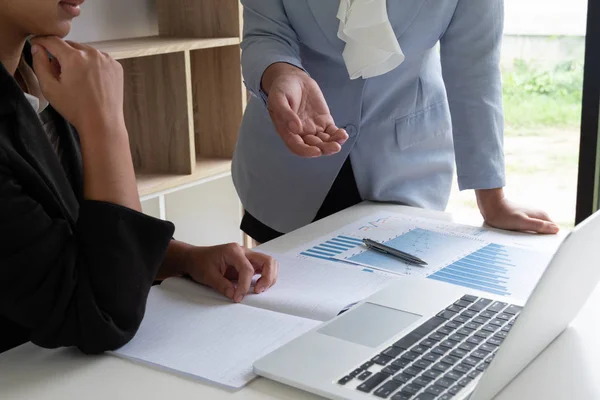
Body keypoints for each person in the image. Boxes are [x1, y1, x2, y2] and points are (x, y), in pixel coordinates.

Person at [0, 0, 278, 355]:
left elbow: (65, 243)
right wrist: (105, 125)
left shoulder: (41, 74)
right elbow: (105, 317)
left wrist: (185, 259)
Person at [233, 0, 560, 244]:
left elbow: (474, 70)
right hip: (291, 156)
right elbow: (265, 33)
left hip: (406, 168)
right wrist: (281, 71)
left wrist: (493, 199)